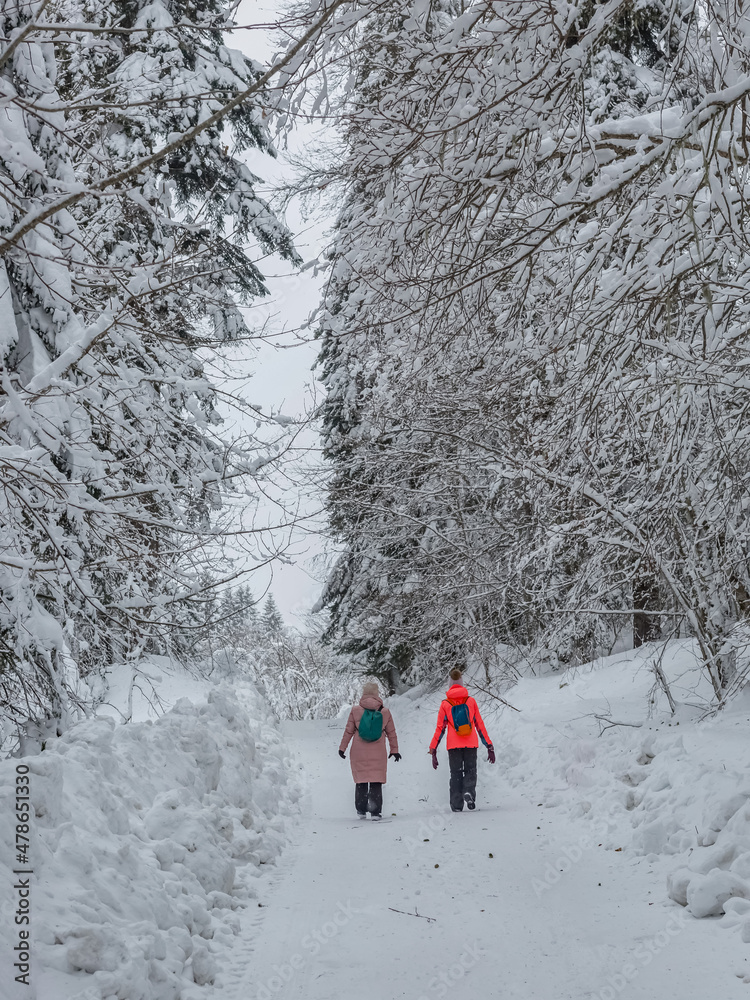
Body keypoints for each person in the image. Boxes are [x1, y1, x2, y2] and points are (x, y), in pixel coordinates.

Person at [429, 668, 495, 811]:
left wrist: (433, 748)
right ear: (462, 683)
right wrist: (489, 745)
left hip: (453, 745)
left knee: (456, 773)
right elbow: (479, 725)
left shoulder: (445, 704)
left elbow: (440, 728)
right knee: (471, 770)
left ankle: (457, 804)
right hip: (470, 743)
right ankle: (469, 791)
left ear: (450, 684)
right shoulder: (470, 701)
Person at [339, 681, 400, 820]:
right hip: (378, 753)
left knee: (361, 780)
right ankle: (375, 812)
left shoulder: (355, 710)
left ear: (364, 694)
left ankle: (361, 811)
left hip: (358, 752)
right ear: (377, 694)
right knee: (376, 780)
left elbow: (348, 731)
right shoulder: (384, 712)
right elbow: (392, 733)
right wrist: (394, 750)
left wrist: (342, 748)